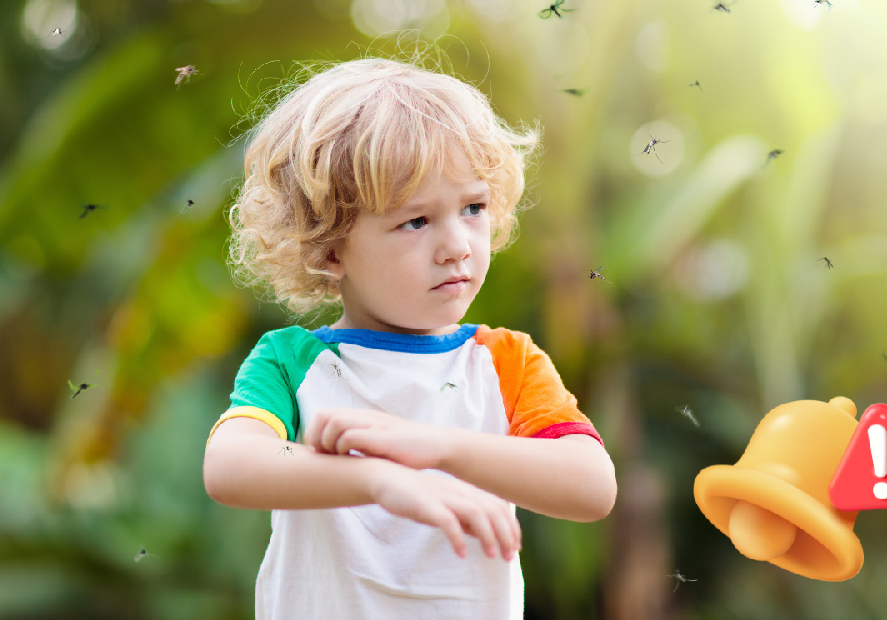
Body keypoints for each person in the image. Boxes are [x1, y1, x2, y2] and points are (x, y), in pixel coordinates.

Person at [202, 57, 617, 620]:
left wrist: (440, 448)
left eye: (473, 208)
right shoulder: (293, 363)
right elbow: (231, 466)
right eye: (415, 221)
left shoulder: (504, 362)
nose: (457, 245)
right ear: (329, 248)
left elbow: (591, 485)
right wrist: (376, 478)